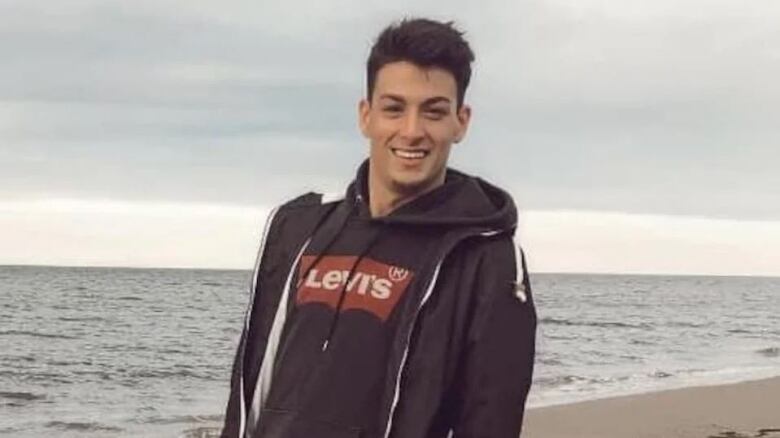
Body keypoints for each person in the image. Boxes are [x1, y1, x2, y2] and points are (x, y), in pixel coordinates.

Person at [220, 17, 536, 438]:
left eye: (433, 111)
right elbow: (248, 388)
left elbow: (490, 421)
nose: (411, 131)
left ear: (461, 122)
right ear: (365, 116)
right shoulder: (297, 228)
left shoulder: (488, 259)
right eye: (394, 108)